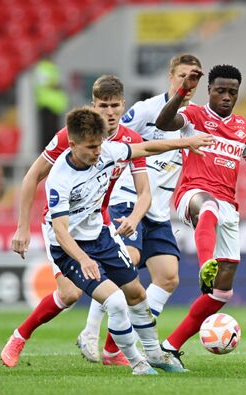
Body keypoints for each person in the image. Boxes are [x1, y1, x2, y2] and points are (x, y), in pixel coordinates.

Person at [7, 107, 212, 374]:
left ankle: (155, 355)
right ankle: (137, 364)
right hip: (70, 248)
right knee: (109, 300)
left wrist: (187, 142)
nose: (97, 152)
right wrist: (83, 259)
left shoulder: (106, 151)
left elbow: (147, 148)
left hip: (100, 236)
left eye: (99, 145)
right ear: (73, 145)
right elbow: (60, 231)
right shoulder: (59, 178)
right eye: (91, 147)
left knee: (136, 293)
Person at [155, 64, 246, 367]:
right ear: (209, 90)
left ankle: (168, 348)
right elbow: (164, 122)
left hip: (228, 207)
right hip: (192, 194)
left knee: (222, 292)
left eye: (232, 92)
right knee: (207, 207)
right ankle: (205, 262)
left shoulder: (243, 128)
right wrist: (183, 90)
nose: (226, 96)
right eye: (220, 90)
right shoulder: (194, 115)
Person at [3, 76, 152, 367]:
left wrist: (135, 216)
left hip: (100, 220)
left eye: (114, 106)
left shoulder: (128, 140)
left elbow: (145, 190)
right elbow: (33, 176)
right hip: (63, 224)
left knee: (130, 279)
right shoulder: (70, 137)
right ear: (92, 105)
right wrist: (22, 227)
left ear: (123, 106)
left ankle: (109, 347)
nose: (108, 112)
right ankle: (19, 337)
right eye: (102, 106)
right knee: (69, 294)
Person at [76, 54, 203, 363]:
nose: (187, 82)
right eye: (182, 75)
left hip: (157, 208)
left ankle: (114, 346)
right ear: (170, 77)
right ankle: (90, 330)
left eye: (194, 77)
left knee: (169, 276)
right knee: (127, 261)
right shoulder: (146, 110)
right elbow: (113, 140)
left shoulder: (195, 120)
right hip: (126, 196)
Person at [34, 58, 68, 150]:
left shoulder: (53, 67)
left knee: (54, 131)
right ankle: (46, 154)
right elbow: (43, 82)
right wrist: (57, 84)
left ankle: (53, 151)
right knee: (47, 132)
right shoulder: (42, 67)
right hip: (47, 104)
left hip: (55, 106)